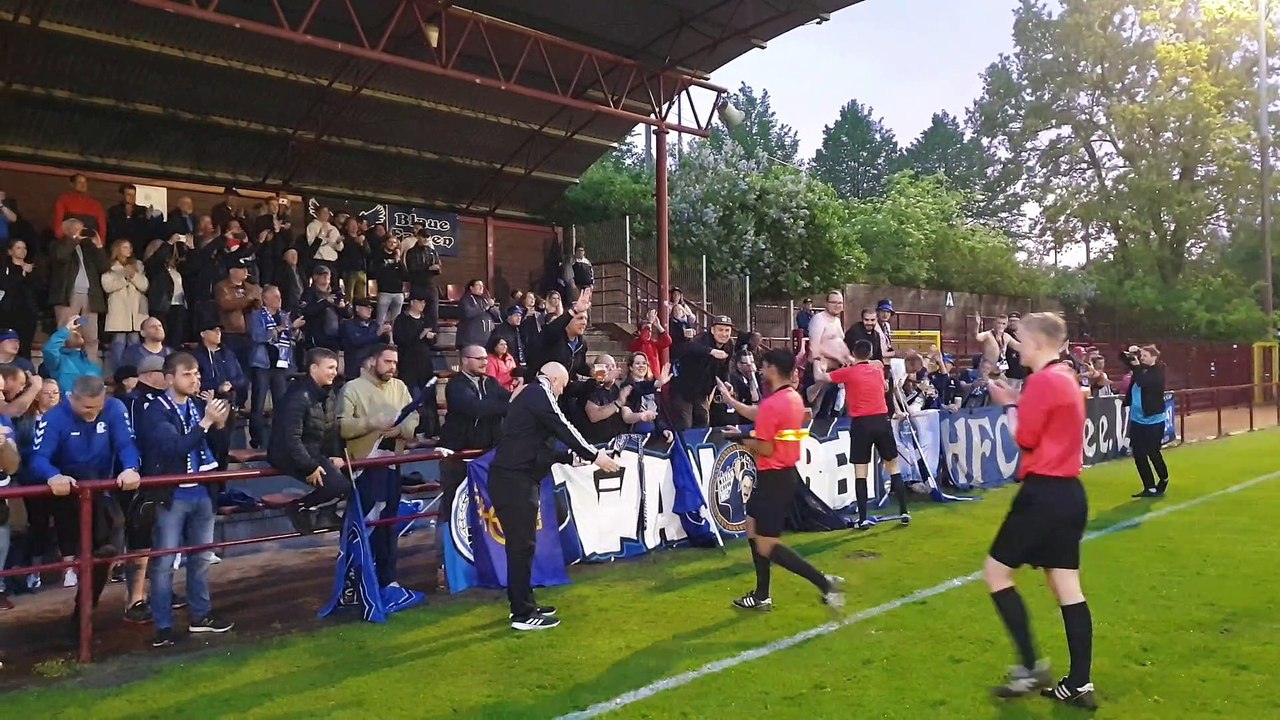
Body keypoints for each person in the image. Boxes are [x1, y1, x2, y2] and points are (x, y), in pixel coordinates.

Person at [985, 312, 1096, 709]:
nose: (1017, 347)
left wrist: (1007, 405)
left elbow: (1025, 438)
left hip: (1043, 493)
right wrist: (1019, 402)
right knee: (1066, 585)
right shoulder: (1066, 377)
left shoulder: (1043, 381)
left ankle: (1031, 666)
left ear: (1036, 341)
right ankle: (1079, 683)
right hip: (1069, 494)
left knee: (996, 574)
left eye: (1020, 339)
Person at [488, 362, 620, 631]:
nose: (561, 392)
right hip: (514, 481)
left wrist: (571, 458)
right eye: (563, 385)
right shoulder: (539, 392)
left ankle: (524, 603)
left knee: (524, 545)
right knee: (521, 546)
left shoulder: (531, 397)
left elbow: (537, 445)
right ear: (555, 379)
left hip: (517, 479)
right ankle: (522, 613)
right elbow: (562, 426)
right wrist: (595, 455)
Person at [722, 349, 844, 612]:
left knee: (767, 544)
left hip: (773, 478)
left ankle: (824, 582)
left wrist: (740, 438)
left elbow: (765, 447)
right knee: (752, 526)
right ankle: (762, 595)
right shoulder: (792, 398)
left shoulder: (773, 404)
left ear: (773, 369)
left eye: (764, 366)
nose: (761, 371)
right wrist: (732, 402)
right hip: (784, 475)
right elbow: (761, 415)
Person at [27, 375, 141, 636]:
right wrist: (53, 475)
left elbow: (127, 444)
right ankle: (80, 615)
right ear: (71, 398)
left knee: (105, 550)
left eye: (98, 407)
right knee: (94, 551)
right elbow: (38, 458)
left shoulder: (114, 408)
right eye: (87, 408)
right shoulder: (54, 418)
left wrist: (131, 468)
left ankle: (83, 614)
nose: (93, 413)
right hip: (67, 491)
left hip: (102, 490)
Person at [138, 353, 235, 647]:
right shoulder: (156, 410)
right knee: (165, 562)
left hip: (202, 492)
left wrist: (221, 425)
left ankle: (200, 616)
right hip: (172, 495)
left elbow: (218, 450)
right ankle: (163, 626)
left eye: (197, 374)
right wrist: (207, 422)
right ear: (169, 378)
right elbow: (175, 448)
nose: (195, 380)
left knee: (201, 558)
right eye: (187, 374)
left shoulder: (198, 406)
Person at [339, 344, 418, 589]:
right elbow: (342, 427)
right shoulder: (351, 388)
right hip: (363, 468)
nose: (393, 367)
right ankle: (356, 578)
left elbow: (414, 417)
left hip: (392, 464)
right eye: (388, 362)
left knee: (388, 523)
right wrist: (372, 423)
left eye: (395, 362)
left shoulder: (400, 387)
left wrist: (401, 429)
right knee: (363, 524)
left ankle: (388, 578)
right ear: (373, 361)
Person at [436, 345, 512, 589]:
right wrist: (499, 405)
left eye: (485, 358)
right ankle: (444, 565)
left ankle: (487, 560)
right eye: (478, 358)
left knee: (486, 508)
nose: (483, 362)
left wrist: (500, 404)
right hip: (457, 456)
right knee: (451, 509)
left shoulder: (491, 383)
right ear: (464, 360)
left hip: (486, 456)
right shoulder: (455, 385)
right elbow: (474, 408)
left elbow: (508, 402)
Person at [815, 339, 911, 528]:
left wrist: (818, 359)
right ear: (870, 353)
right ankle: (904, 511)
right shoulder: (877, 370)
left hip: (861, 424)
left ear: (853, 352)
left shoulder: (848, 372)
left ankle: (863, 518)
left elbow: (820, 377)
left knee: (861, 471)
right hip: (881, 420)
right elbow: (880, 376)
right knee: (893, 466)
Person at [268, 348, 348, 535]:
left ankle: (323, 515)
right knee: (337, 486)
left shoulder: (328, 393)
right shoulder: (297, 396)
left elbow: (330, 429)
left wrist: (335, 454)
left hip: (313, 450)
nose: (334, 372)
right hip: (288, 454)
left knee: (347, 484)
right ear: (313, 369)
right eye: (330, 368)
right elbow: (290, 438)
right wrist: (309, 466)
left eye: (335, 368)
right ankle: (298, 508)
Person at [248, 285, 303, 450]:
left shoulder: (285, 315)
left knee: (281, 404)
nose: (279, 300)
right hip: (262, 365)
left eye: (279, 296)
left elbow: (295, 338)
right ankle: (256, 440)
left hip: (281, 365)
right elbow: (258, 336)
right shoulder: (257, 316)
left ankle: (280, 439)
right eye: (275, 297)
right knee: (258, 404)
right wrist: (280, 328)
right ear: (265, 299)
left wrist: (294, 329)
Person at [1123, 345, 1169, 498]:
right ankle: (1149, 487)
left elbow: (1143, 382)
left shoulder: (1159, 370)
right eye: (1141, 355)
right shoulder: (1140, 368)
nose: (1141, 358)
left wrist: (1136, 366)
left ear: (1154, 357)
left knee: (1153, 452)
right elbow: (1122, 358)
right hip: (1137, 419)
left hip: (1153, 419)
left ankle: (1163, 478)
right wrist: (1131, 353)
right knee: (1138, 454)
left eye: (1145, 355)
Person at [42, 315, 104, 391]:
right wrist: (66, 329)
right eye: (73, 331)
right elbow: (49, 349)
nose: (77, 332)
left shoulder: (93, 366)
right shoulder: (57, 362)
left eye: (78, 331)